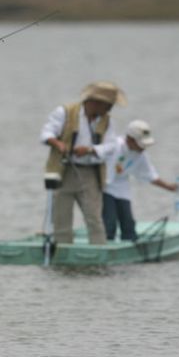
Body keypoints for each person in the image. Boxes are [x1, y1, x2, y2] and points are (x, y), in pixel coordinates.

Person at [40, 81, 126, 244]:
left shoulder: (107, 122)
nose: (109, 109)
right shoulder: (65, 112)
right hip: (64, 171)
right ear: (95, 102)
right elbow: (46, 133)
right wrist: (58, 144)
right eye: (108, 105)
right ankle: (63, 255)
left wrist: (90, 150)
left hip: (90, 174)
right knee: (61, 218)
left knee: (94, 217)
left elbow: (112, 146)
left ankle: (98, 253)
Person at [102, 119, 179, 241]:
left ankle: (129, 249)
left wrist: (169, 187)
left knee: (128, 224)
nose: (144, 148)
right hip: (104, 187)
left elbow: (151, 175)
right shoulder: (114, 146)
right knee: (109, 223)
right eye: (140, 143)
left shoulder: (140, 154)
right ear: (129, 139)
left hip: (122, 189)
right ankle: (105, 246)